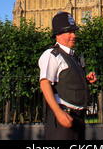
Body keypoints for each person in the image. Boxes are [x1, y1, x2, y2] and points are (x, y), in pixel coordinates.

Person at [38, 11, 97, 140]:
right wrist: (58, 112)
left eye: (74, 32)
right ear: (58, 34)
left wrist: (85, 80)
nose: (73, 36)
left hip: (78, 119)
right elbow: (44, 83)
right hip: (63, 118)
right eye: (69, 32)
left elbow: (67, 81)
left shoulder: (74, 56)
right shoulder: (52, 54)